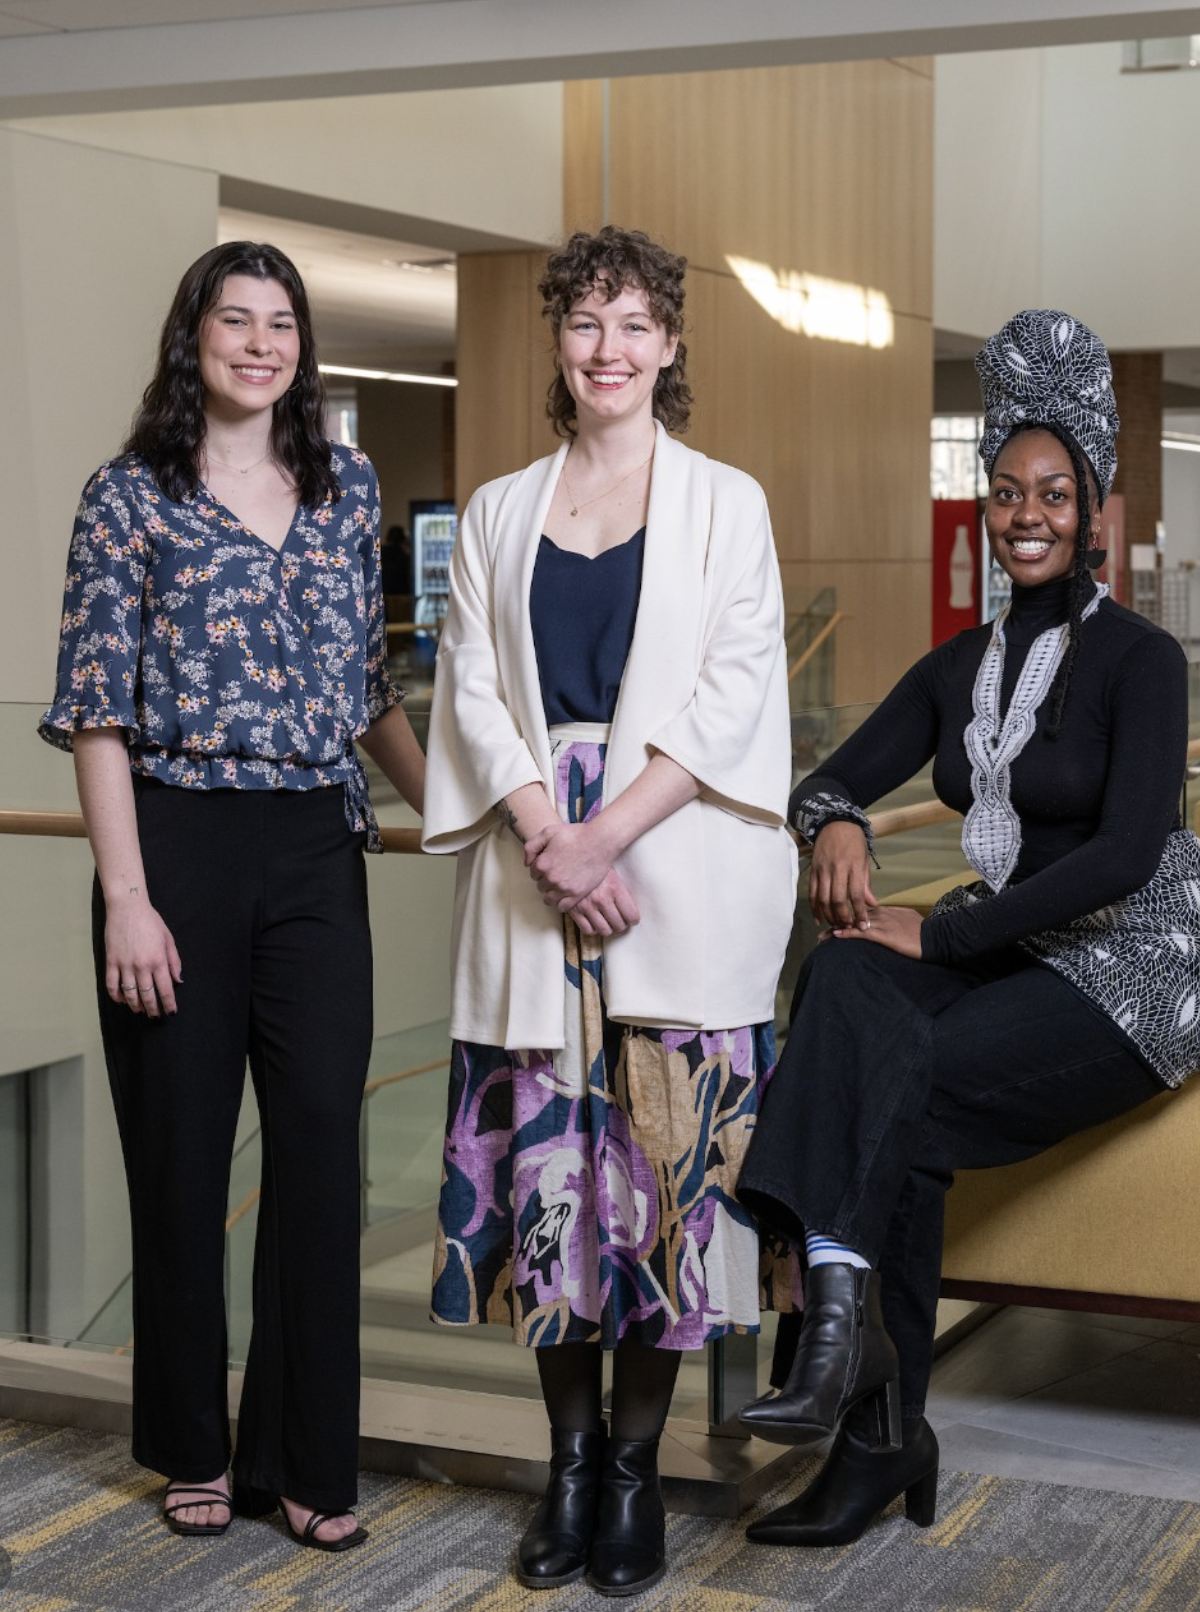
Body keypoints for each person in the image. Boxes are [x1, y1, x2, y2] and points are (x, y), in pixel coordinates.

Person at [735, 309, 1200, 1548]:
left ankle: (848, 1372)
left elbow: (1126, 854)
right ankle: (867, 1391)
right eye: (1007, 489)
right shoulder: (957, 664)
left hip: (1147, 962)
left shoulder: (1142, 660)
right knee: (848, 979)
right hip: (1016, 943)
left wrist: (946, 940)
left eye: (1054, 492)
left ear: (1093, 508)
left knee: (902, 1064)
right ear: (983, 503)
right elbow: (826, 777)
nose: (1028, 513)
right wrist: (837, 829)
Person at [422, 226, 797, 1595]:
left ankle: (634, 1471)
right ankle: (567, 1466)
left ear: (671, 346)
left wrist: (602, 838)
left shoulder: (725, 502)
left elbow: (734, 689)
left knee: (662, 1192)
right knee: (548, 1193)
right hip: (536, 879)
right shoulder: (498, 510)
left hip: (666, 864)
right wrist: (543, 830)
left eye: (635, 323)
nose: (609, 349)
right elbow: (468, 684)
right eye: (585, 323)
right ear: (557, 344)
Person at [39, 241, 426, 1550]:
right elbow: (95, 714)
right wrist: (126, 897)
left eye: (281, 323)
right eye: (235, 320)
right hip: (176, 848)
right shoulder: (128, 496)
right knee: (184, 1161)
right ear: (191, 339)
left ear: (301, 347)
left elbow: (366, 686)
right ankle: (194, 1447)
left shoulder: (344, 483)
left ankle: (305, 1462)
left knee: (321, 1147)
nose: (260, 342)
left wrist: (448, 804)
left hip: (319, 848)